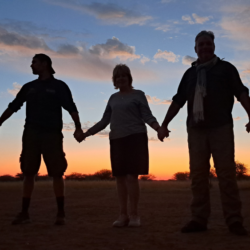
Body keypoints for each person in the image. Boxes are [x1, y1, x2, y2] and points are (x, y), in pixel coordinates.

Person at [158, 31, 250, 235]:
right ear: (195, 49)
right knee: (198, 176)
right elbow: (178, 100)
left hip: (221, 128)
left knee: (226, 174)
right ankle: (198, 219)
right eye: (201, 45)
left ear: (214, 46)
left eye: (208, 44)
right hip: (196, 130)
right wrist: (164, 124)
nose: (205, 48)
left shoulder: (226, 69)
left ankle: (234, 220)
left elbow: (241, 91)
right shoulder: (190, 74)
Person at [0, 54, 84, 225]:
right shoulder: (29, 87)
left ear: (44, 64)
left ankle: (61, 214)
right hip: (31, 133)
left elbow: (71, 106)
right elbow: (14, 106)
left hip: (52, 134)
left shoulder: (59, 86)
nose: (31, 65)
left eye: (34, 62)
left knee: (57, 173)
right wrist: (0, 122)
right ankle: (24, 213)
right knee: (28, 172)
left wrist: (78, 127)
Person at [77, 64, 160, 227]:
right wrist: (86, 134)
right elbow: (104, 121)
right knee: (120, 178)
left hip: (135, 138)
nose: (121, 79)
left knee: (131, 177)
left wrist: (158, 128)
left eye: (124, 75)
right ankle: (123, 215)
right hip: (117, 139)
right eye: (117, 76)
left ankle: (134, 215)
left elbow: (147, 115)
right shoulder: (113, 98)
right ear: (114, 80)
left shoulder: (138, 94)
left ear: (129, 78)